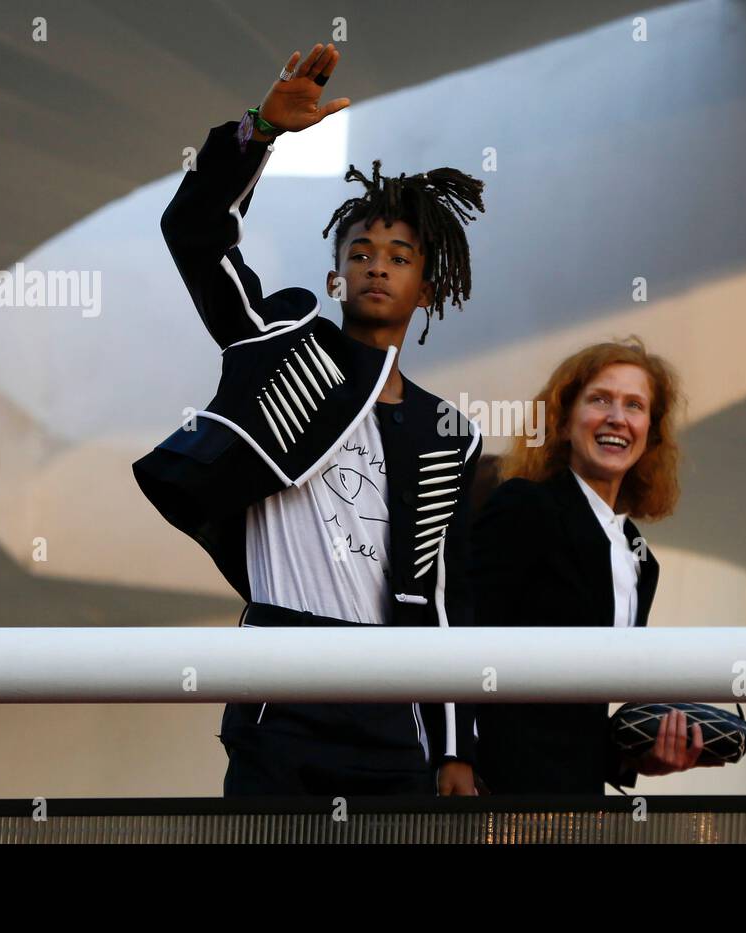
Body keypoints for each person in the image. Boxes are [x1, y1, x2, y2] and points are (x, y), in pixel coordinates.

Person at [132, 43, 487, 796]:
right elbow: (196, 234)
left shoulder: (445, 430)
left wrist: (455, 745)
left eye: (400, 254)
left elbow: (441, 600)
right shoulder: (281, 344)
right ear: (336, 275)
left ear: (427, 287)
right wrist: (257, 132)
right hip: (279, 690)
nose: (378, 264)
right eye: (361, 251)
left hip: (394, 711)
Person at [470, 339, 704, 794]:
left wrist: (635, 757)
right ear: (561, 423)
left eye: (634, 406)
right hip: (497, 791)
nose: (617, 417)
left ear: (650, 436)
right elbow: (463, 637)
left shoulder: (639, 556)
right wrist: (456, 759)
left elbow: (577, 717)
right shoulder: (524, 507)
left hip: (575, 802)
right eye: (600, 399)